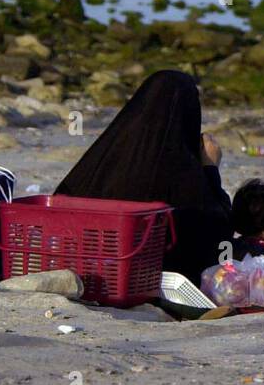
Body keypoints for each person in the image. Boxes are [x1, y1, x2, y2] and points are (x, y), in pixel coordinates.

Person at [55, 69, 231, 284]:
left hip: (87, 271)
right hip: (150, 280)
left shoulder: (107, 155)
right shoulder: (187, 177)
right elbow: (220, 234)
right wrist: (210, 169)